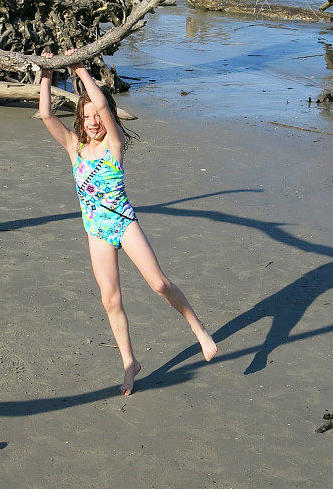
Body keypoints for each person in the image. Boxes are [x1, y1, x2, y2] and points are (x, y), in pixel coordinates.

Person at [38, 50, 217, 395]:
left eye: (96, 116)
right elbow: (45, 114)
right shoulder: (73, 147)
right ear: (79, 120)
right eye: (86, 116)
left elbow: (104, 105)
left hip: (123, 223)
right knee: (110, 300)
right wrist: (46, 73)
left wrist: (78, 67)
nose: (93, 121)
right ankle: (129, 363)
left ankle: (197, 329)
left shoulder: (114, 145)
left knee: (160, 285)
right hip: (96, 231)